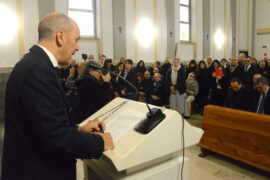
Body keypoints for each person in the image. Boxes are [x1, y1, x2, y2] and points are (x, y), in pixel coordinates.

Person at [1, 13, 114, 180]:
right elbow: (57, 137)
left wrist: (78, 129)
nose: (77, 48)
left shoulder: (35, 64)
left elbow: (44, 125)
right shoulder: (37, 71)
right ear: (60, 36)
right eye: (76, 40)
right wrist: (101, 142)